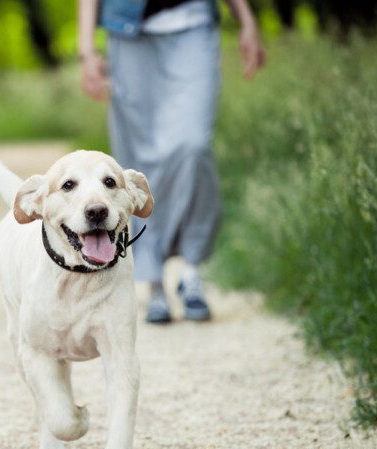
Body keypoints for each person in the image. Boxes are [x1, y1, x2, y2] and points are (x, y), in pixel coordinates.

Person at [77, 0, 265, 323]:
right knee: (139, 160)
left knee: (192, 145)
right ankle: (153, 281)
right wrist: (86, 50)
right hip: (127, 31)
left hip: (194, 23)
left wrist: (246, 20)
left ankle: (191, 269)